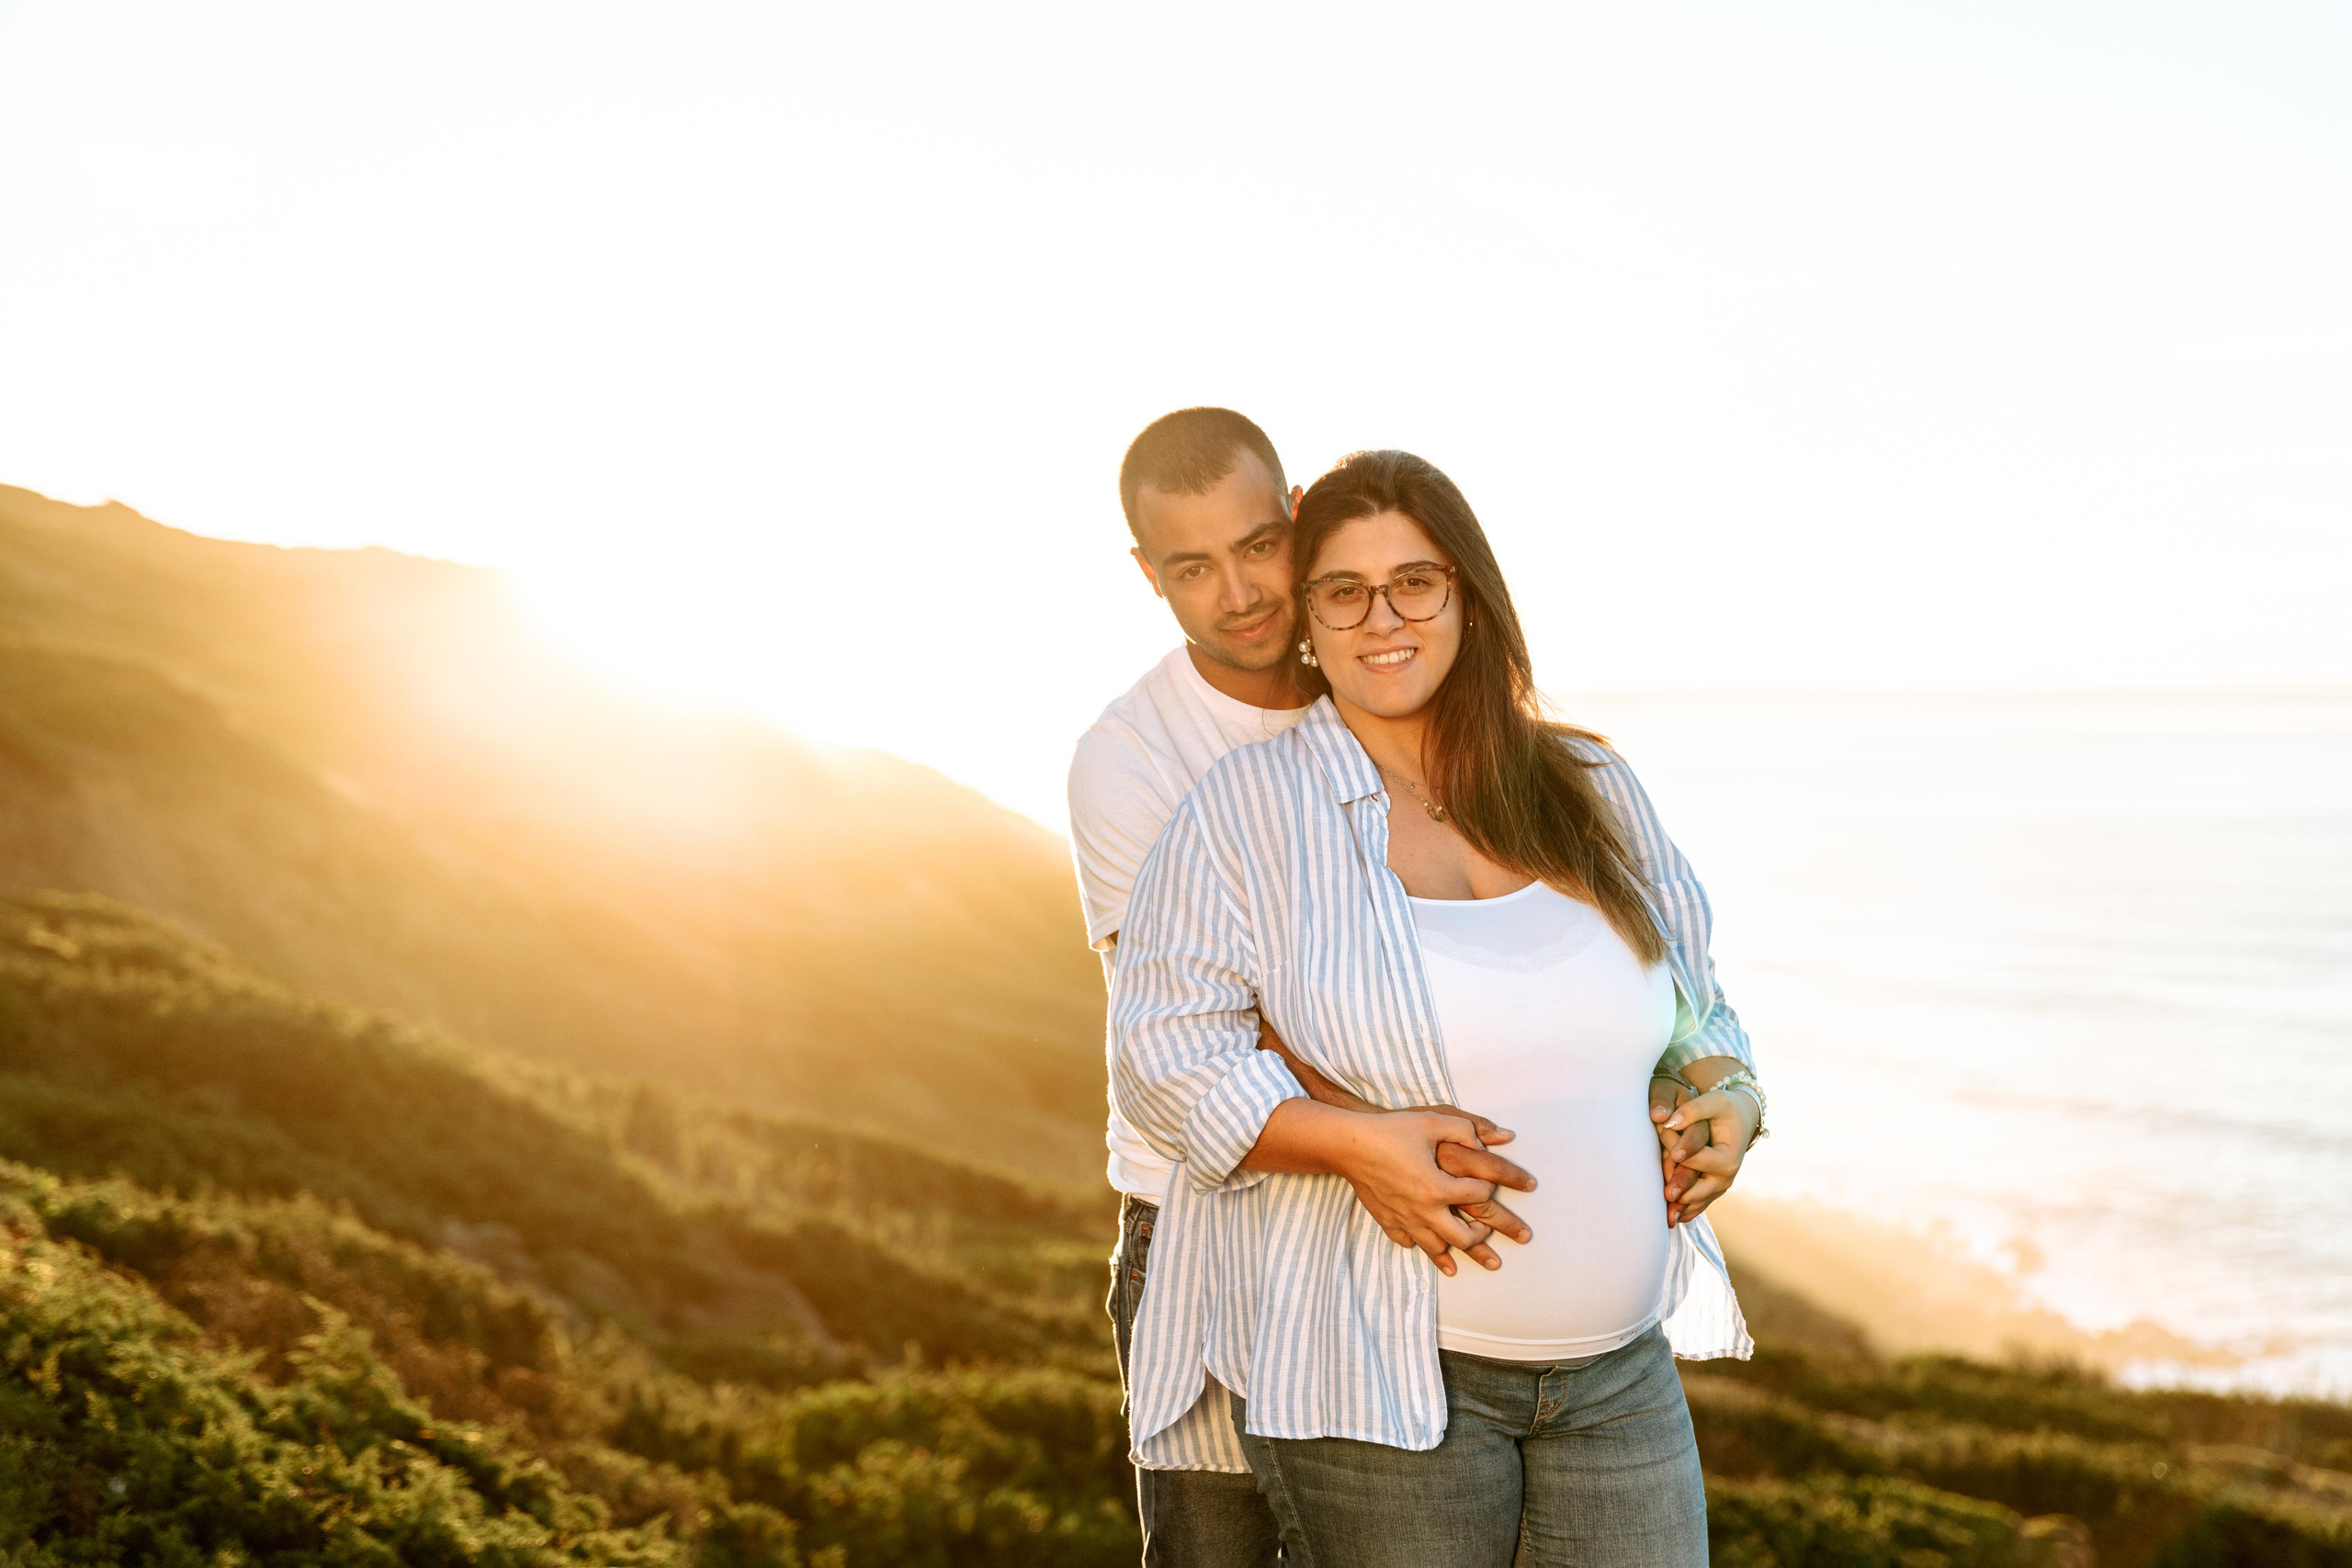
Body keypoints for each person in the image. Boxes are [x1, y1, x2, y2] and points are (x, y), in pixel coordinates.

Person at [1069, 414, 1723, 1564]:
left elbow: (1690, 993)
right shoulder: (1187, 782)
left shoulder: (1580, 778)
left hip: (1617, 1373)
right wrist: (1369, 1146)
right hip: (1279, 1277)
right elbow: (1177, 1043)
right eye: (1346, 594)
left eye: (1414, 583)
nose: (1243, 594)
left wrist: (1726, 1091)